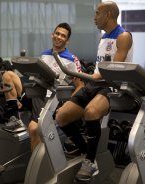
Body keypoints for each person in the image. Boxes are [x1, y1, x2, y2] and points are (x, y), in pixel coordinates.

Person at [55, 1, 133, 182]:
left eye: (98, 13)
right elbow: (99, 69)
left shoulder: (123, 36)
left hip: (113, 86)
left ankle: (89, 160)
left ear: (108, 15)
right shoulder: (103, 37)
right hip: (95, 84)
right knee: (61, 116)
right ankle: (86, 152)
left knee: (91, 112)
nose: (94, 17)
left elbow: (114, 68)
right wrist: (89, 75)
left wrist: (96, 76)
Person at [28, 22, 84, 152]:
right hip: (42, 98)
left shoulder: (72, 60)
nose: (59, 37)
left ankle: (43, 166)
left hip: (58, 101)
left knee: (40, 130)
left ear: (67, 41)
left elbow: (80, 86)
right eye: (57, 33)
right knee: (33, 129)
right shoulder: (44, 55)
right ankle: (37, 168)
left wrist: (69, 105)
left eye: (63, 36)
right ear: (52, 35)